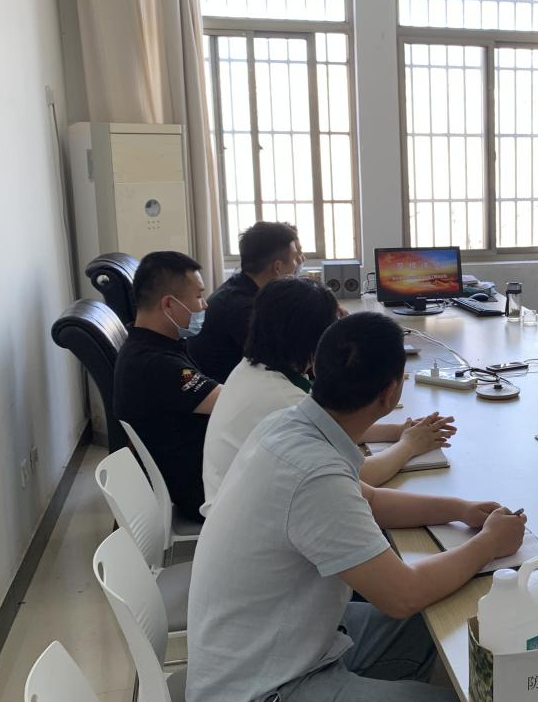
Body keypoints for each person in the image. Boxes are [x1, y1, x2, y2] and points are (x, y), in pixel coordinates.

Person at [186, 311, 526, 702]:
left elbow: (369, 499)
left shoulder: (291, 425)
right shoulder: (312, 471)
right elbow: (401, 594)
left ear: (315, 369)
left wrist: (460, 510)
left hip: (273, 651)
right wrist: (488, 546)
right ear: (392, 392)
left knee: (423, 627)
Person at [201, 276, 456, 509]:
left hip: (242, 504)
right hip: (259, 513)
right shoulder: (282, 400)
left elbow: (335, 424)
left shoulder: (254, 368)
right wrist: (409, 445)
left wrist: (399, 431)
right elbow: (359, 476)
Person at [114, 251, 220, 523]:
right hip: (199, 491)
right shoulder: (155, 364)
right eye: (198, 296)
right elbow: (228, 403)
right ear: (170, 304)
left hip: (198, 470)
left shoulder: (153, 344)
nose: (205, 305)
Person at [187, 221, 306, 383]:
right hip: (226, 391)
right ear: (277, 267)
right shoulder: (241, 308)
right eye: (295, 258)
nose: (298, 263)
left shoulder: (248, 287)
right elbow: (286, 359)